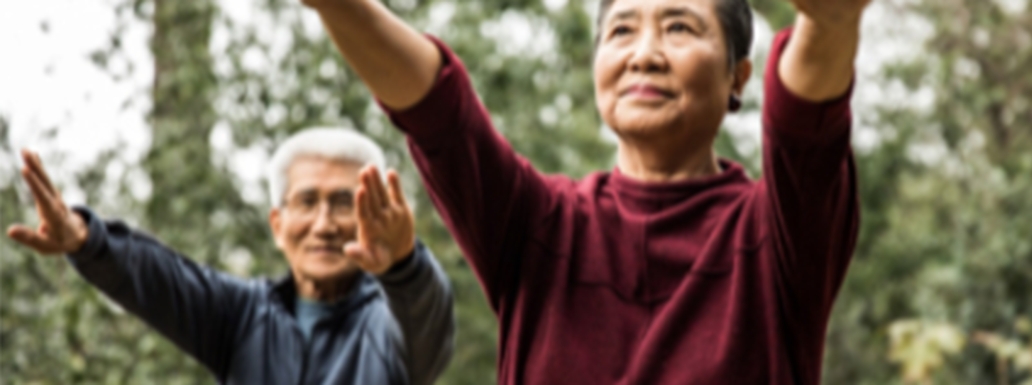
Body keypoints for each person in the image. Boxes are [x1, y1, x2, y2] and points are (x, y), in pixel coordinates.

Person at [304, 0, 866, 382]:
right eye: (621, 30)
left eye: (679, 28)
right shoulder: (539, 227)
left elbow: (806, 130)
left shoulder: (776, 239)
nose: (644, 53)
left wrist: (831, 23)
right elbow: (439, 113)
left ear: (737, 79)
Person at [7, 128, 455, 384]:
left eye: (343, 203)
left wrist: (404, 264)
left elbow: (425, 322)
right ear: (278, 225)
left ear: (368, 218)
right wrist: (87, 239)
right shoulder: (244, 315)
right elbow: (161, 278)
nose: (324, 224)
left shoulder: (389, 324)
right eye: (306, 202)